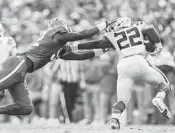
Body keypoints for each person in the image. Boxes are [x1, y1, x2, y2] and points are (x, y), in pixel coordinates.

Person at [59, 17, 171, 129]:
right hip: (139, 60)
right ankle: (159, 98)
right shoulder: (138, 26)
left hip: (123, 65)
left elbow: (96, 44)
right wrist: (159, 46)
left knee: (122, 99)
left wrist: (74, 46)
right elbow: (150, 29)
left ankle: (114, 119)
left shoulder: (113, 35)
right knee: (164, 84)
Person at [0, 18, 114, 116]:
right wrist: (103, 25)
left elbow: (81, 56)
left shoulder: (58, 48)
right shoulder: (56, 36)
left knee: (26, 108)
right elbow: (82, 35)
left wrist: (101, 51)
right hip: (19, 63)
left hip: (22, 71)